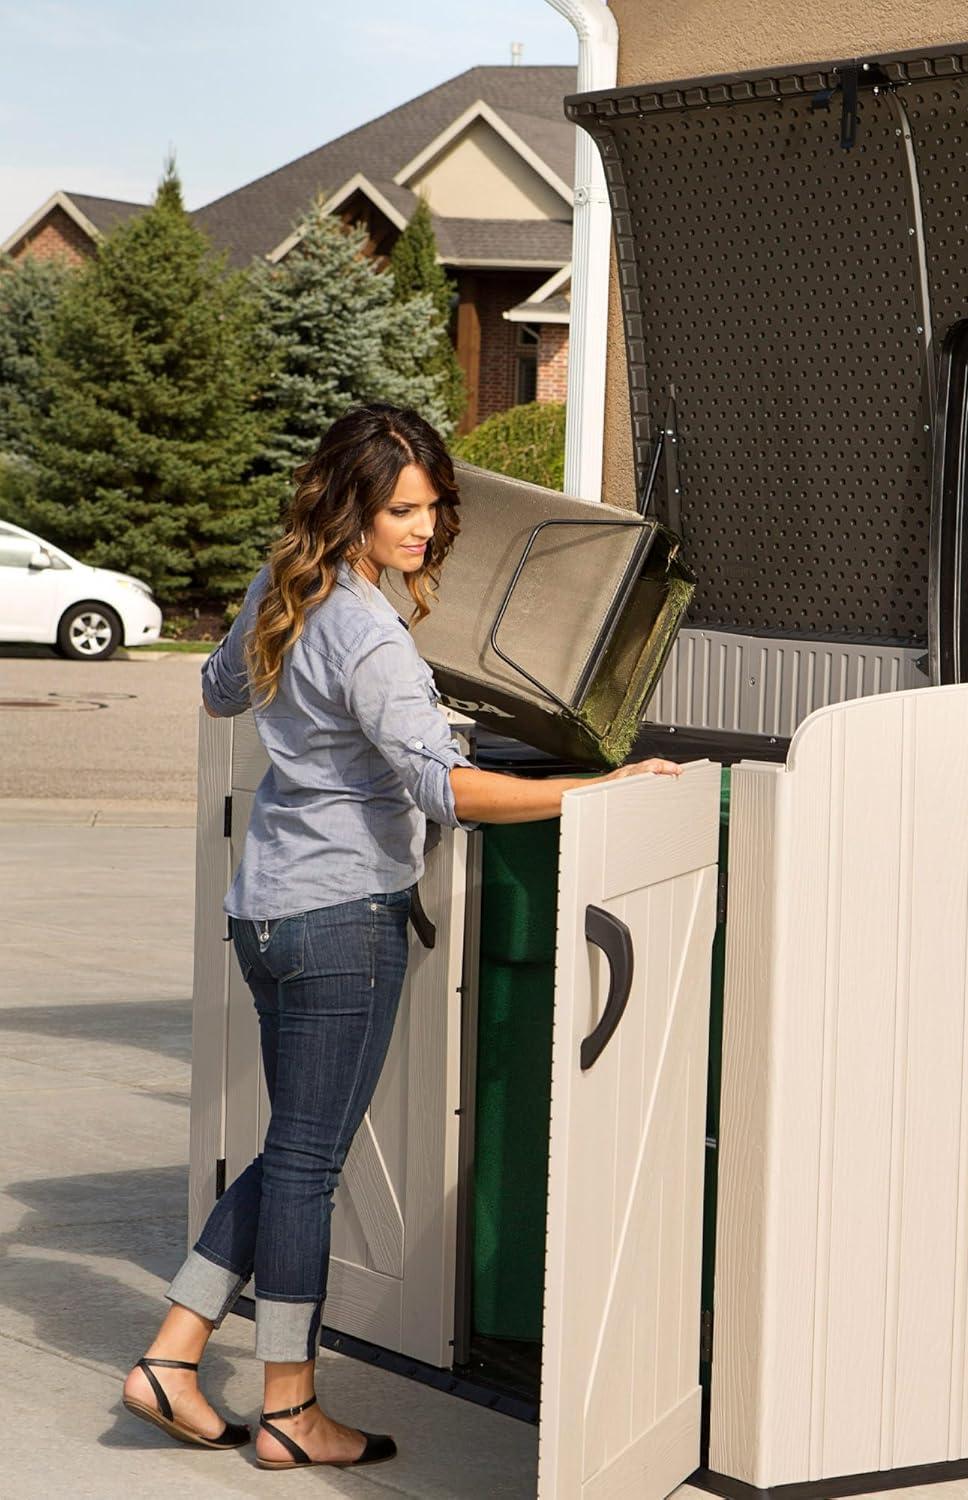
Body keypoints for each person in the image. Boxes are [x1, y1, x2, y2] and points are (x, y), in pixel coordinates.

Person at [120, 403, 680, 1470]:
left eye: (432, 508)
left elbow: (220, 687)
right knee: (309, 1163)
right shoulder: (370, 629)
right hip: (340, 916)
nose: (424, 530)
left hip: (269, 907)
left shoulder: (291, 585)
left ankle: (173, 1353)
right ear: (356, 510)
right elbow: (448, 790)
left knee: (294, 1147)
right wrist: (599, 788)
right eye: (403, 511)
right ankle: (289, 1405)